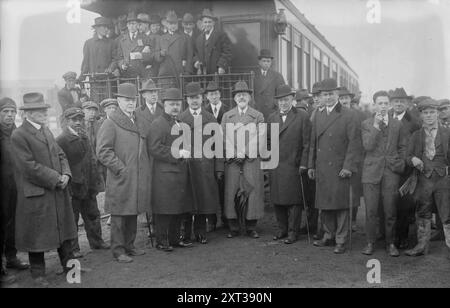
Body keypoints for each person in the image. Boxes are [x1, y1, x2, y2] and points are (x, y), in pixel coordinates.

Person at [11, 93, 77, 286]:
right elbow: (28, 167)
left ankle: (71, 268)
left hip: (56, 190)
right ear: (27, 113)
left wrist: (66, 174)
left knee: (64, 231)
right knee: (36, 236)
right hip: (37, 194)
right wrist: (57, 178)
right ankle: (38, 274)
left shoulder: (46, 131)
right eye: (37, 110)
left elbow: (61, 154)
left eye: (44, 109)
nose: (42, 113)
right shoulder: (19, 135)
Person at [96, 83, 151, 263]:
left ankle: (130, 246)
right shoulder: (110, 122)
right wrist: (121, 168)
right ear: (118, 100)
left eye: (133, 100)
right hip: (121, 177)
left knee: (132, 211)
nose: (130, 103)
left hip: (136, 176)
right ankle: (118, 251)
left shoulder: (138, 120)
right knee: (119, 214)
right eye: (126, 100)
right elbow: (103, 151)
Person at [308, 78, 360, 254]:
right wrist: (311, 166)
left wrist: (348, 166)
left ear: (337, 94)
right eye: (324, 94)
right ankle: (328, 235)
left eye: (331, 94)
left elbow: (354, 143)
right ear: (320, 96)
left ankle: (341, 239)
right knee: (325, 203)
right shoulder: (318, 114)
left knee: (341, 206)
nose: (328, 97)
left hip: (340, 167)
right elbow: (313, 143)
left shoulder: (349, 114)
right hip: (322, 166)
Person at [56, 107, 109, 258]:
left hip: (88, 184)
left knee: (93, 214)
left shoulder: (84, 137)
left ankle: (97, 242)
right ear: (66, 122)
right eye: (74, 120)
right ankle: (74, 248)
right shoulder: (61, 140)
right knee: (72, 218)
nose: (78, 122)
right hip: (74, 186)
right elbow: (61, 163)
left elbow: (92, 160)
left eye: (80, 119)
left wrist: (96, 181)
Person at [361, 91, 408, 257]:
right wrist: (375, 125)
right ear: (374, 105)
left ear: (389, 105)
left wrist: (399, 163)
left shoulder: (397, 124)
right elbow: (367, 146)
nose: (382, 107)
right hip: (371, 171)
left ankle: (390, 244)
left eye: (385, 103)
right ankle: (370, 243)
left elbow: (403, 146)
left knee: (390, 210)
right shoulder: (367, 123)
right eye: (379, 103)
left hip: (391, 172)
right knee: (371, 211)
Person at [148, 88, 194, 251]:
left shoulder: (179, 123)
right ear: (164, 105)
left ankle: (174, 239)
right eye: (171, 104)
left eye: (177, 104)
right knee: (164, 209)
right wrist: (177, 153)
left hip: (179, 173)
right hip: (164, 175)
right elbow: (154, 148)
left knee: (177, 208)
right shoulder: (158, 124)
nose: (175, 107)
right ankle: (162, 241)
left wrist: (186, 151)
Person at [404, 99, 450, 260]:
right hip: (423, 180)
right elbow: (407, 156)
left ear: (438, 113)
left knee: (447, 213)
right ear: (421, 115)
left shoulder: (447, 133)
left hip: (443, 179)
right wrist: (414, 160)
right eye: (425, 113)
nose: (429, 116)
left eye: (432, 112)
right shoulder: (416, 135)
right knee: (423, 212)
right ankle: (421, 246)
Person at [179, 82, 223, 244]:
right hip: (187, 166)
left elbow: (218, 145)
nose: (194, 101)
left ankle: (200, 232)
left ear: (202, 98)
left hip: (205, 167)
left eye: (197, 97)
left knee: (203, 199)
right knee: (187, 199)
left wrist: (219, 168)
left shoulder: (210, 118)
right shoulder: (180, 119)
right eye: (191, 98)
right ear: (187, 100)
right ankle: (186, 232)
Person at [267, 85, 311, 244]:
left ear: (292, 99)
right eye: (280, 100)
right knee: (277, 199)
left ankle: (293, 232)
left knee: (294, 201)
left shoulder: (302, 116)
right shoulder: (272, 118)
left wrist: (303, 164)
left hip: (294, 164)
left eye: (286, 100)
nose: (283, 103)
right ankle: (282, 229)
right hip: (276, 165)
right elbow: (268, 141)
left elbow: (307, 143)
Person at [222, 81, 265, 238]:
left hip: (250, 161)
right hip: (233, 162)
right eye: (238, 95)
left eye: (244, 94)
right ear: (234, 98)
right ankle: (233, 226)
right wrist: (234, 153)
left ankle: (251, 226)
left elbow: (260, 137)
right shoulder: (227, 116)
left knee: (252, 191)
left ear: (249, 97)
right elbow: (223, 137)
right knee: (231, 191)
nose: (241, 97)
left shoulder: (258, 116)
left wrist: (244, 153)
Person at [0, 98, 28, 286]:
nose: (10, 115)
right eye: (5, 111)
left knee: (12, 224)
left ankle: (11, 258)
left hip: (14, 186)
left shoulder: (16, 133)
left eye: (12, 111)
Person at [389, 87, 421, 249]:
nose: (399, 104)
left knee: (403, 204)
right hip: (387, 168)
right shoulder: (385, 117)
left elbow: (416, 147)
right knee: (388, 203)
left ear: (407, 103)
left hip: (405, 170)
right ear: (391, 103)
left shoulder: (414, 123)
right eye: (395, 101)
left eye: (402, 101)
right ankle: (388, 236)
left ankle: (402, 237)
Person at [204, 81, 227, 228]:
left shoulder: (228, 110)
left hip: (224, 153)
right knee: (210, 188)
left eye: (216, 93)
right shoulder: (204, 111)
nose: (214, 96)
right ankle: (211, 220)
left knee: (225, 187)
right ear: (207, 96)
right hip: (209, 154)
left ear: (220, 94)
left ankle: (226, 219)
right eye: (211, 94)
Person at [80, 17, 118, 104]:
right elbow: (86, 62)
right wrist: (82, 77)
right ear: (97, 28)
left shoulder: (111, 43)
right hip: (94, 80)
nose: (106, 29)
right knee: (96, 103)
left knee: (108, 103)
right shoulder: (89, 43)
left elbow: (115, 59)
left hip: (107, 79)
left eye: (107, 27)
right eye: (104, 27)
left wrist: (110, 68)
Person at [156, 11, 193, 84]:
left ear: (178, 24)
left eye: (175, 23)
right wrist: (160, 54)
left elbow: (190, 56)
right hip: (166, 73)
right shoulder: (161, 38)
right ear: (166, 24)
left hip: (180, 72)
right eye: (170, 24)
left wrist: (188, 72)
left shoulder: (185, 37)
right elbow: (155, 55)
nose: (173, 26)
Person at [193, 8, 232, 75]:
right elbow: (195, 53)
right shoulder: (198, 39)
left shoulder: (221, 35)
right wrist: (196, 61)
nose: (207, 24)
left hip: (217, 71)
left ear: (213, 23)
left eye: (209, 22)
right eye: (205, 22)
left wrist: (221, 65)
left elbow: (227, 52)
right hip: (203, 73)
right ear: (202, 23)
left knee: (217, 85)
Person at [116, 12, 152, 79]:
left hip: (141, 74)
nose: (131, 26)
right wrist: (122, 65)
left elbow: (151, 57)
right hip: (127, 74)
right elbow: (119, 58)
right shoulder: (122, 40)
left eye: (134, 24)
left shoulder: (145, 38)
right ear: (127, 25)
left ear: (138, 25)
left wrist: (141, 55)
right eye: (129, 24)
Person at [253, 49, 285, 120]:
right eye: (264, 61)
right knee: (260, 130)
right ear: (259, 62)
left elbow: (282, 94)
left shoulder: (277, 76)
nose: (266, 63)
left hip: (273, 111)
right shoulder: (253, 75)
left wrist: (275, 105)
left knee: (274, 130)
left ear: (271, 62)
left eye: (268, 61)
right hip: (257, 111)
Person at [137, 13, 159, 79]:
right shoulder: (138, 38)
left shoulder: (156, 37)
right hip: (139, 72)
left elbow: (157, 55)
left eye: (140, 25)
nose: (138, 27)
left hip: (152, 72)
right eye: (138, 25)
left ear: (147, 24)